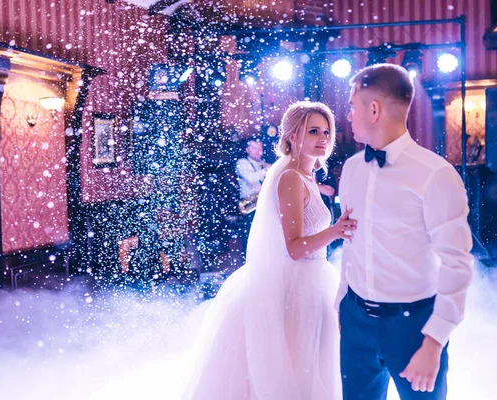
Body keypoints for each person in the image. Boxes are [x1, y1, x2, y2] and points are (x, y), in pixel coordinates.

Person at [182, 101, 357, 400]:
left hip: (314, 279)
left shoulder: (307, 176)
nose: (323, 138)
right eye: (313, 130)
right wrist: (335, 231)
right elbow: (294, 248)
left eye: (327, 131)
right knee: (292, 371)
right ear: (291, 135)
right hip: (294, 286)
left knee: (310, 367)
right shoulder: (289, 178)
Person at [337, 63, 474, 400]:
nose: (349, 115)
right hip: (355, 322)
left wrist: (434, 343)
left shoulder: (435, 175)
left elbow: (457, 265)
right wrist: (342, 303)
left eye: (352, 107)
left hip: (414, 327)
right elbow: (350, 240)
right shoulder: (352, 169)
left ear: (374, 109)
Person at [235, 139, 270, 255]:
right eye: (255, 148)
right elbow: (251, 178)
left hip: (263, 203)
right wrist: (266, 170)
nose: (259, 151)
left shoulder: (263, 164)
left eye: (260, 148)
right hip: (250, 204)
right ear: (247, 150)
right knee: (251, 235)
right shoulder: (242, 162)